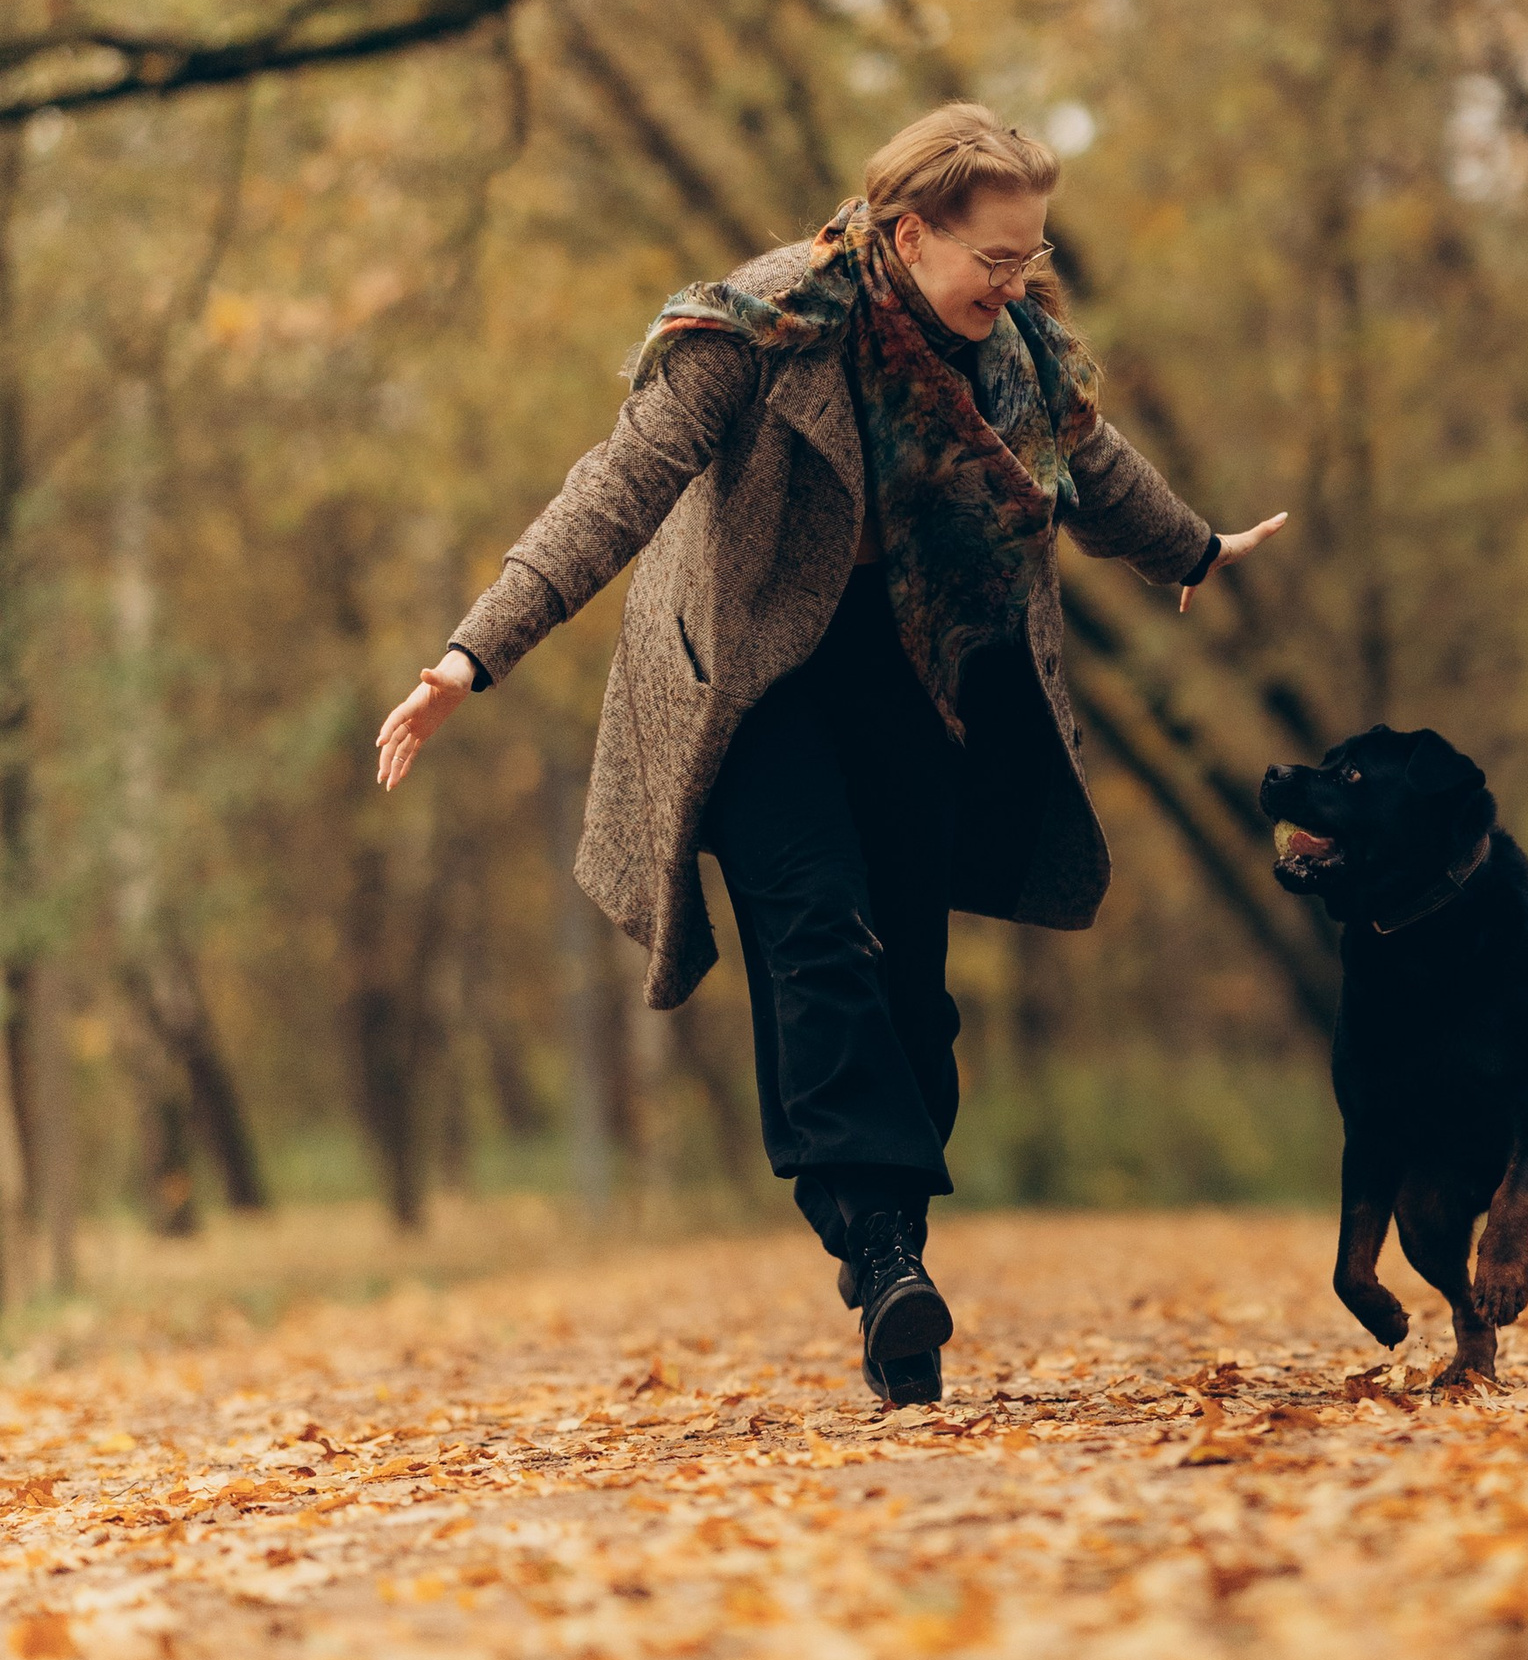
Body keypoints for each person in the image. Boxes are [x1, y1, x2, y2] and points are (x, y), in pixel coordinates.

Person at [375, 104, 1284, 1407]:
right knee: (816, 934)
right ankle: (879, 1242)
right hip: (754, 672)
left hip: (916, 663)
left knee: (914, 978)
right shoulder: (759, 326)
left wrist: (1193, 549)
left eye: (1033, 258)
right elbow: (616, 486)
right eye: (996, 259)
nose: (1018, 284)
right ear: (910, 233)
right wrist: (472, 654)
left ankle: (892, 1242)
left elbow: (1091, 462)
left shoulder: (1015, 350)